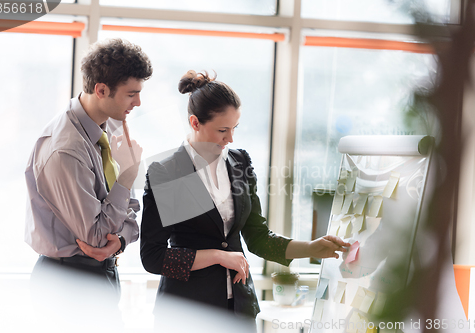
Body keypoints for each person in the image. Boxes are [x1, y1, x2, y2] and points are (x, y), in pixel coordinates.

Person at [140, 70, 350, 329]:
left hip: (239, 309)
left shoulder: (239, 162)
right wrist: (219, 256)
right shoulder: (168, 172)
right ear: (195, 123)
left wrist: (309, 248)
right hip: (187, 312)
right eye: (222, 130)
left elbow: (258, 237)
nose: (230, 139)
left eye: (235, 128)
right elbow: (153, 257)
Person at [24, 38, 152, 331]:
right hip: (67, 285)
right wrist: (127, 176)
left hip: (97, 276)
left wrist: (120, 240)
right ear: (101, 90)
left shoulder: (105, 133)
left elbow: (129, 212)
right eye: (132, 94)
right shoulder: (67, 149)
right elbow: (96, 236)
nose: (139, 103)